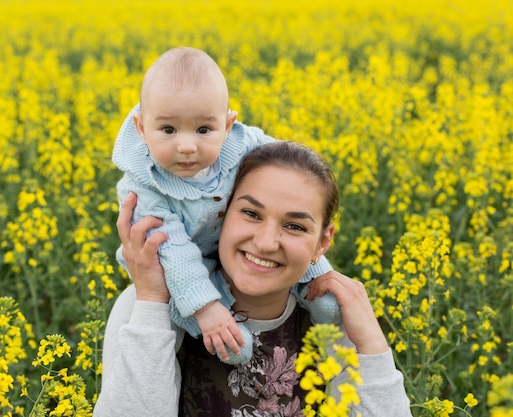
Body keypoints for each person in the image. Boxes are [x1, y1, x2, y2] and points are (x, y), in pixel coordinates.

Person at [94, 141, 412, 417]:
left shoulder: (331, 317)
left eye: (295, 226)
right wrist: (152, 301)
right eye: (250, 213)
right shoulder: (149, 304)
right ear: (220, 215)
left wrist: (371, 343)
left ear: (323, 242)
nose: (265, 242)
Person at [112, 47, 340, 364]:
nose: (187, 146)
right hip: (176, 261)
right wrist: (207, 309)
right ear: (141, 128)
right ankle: (223, 334)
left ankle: (318, 281)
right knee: (181, 294)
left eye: (204, 130)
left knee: (291, 225)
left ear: (228, 125)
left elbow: (287, 167)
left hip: (229, 241)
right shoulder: (145, 187)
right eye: (168, 130)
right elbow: (174, 252)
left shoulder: (241, 142)